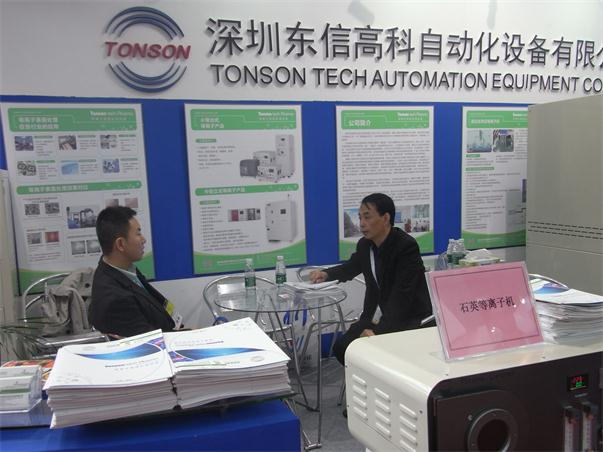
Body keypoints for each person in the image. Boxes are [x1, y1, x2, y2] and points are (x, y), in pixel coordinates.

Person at [310, 193, 432, 365]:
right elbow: (352, 266)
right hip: (377, 315)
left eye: (367, 217)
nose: (361, 223)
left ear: (385, 218)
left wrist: (379, 333)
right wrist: (326, 274)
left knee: (368, 356)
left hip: (408, 320)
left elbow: (402, 297)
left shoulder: (405, 247)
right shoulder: (365, 245)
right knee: (342, 348)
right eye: (360, 217)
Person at [88, 206, 179, 338]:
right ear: (120, 244)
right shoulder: (115, 299)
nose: (143, 240)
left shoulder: (124, 268)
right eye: (138, 233)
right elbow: (150, 341)